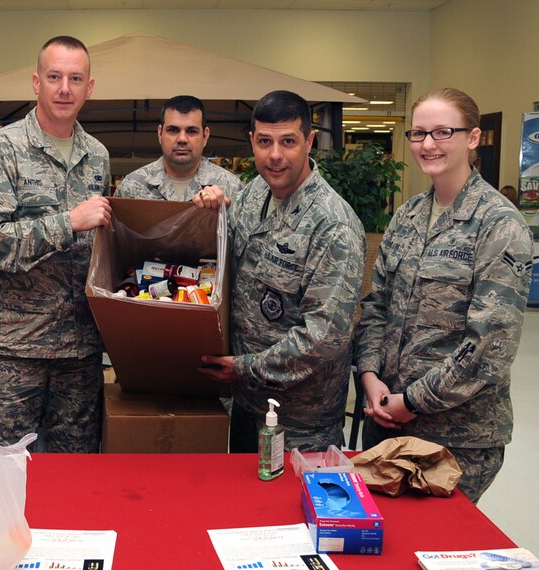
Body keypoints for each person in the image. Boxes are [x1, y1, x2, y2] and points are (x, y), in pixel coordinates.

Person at [355, 88, 533, 503]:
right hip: (386, 420)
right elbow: (376, 305)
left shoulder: (498, 225)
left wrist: (413, 401)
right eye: (418, 134)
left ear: (472, 138)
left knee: (430, 552)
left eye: (442, 132)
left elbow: (489, 347)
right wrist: (369, 376)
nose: (428, 144)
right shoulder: (408, 215)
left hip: (457, 438)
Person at [196, 90, 365, 452]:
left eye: (288, 141)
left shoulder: (333, 226)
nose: (275, 155)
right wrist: (208, 214)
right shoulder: (254, 193)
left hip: (301, 423)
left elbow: (324, 339)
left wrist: (243, 368)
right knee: (243, 507)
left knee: (287, 510)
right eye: (264, 141)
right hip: (246, 405)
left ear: (310, 142)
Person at [0, 36, 111, 452]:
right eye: (54, 77)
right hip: (15, 352)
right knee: (5, 476)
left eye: (75, 78)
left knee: (74, 478)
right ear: (36, 83)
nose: (64, 88)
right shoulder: (2, 150)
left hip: (80, 353)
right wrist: (69, 222)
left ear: (89, 87)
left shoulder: (97, 155)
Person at [117, 95, 242, 201]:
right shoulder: (132, 187)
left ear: (205, 136)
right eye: (173, 130)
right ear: (160, 134)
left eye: (191, 131)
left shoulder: (231, 188)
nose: (182, 139)